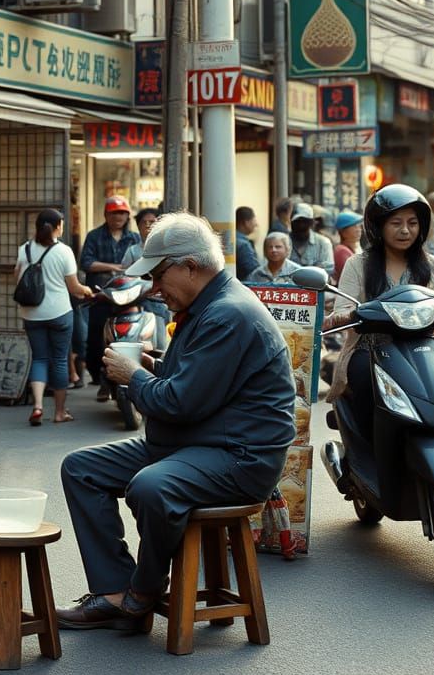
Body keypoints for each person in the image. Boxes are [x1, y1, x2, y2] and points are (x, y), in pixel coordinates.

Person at [56, 213, 295, 630]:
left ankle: (143, 591)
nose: (154, 289)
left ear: (190, 266)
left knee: (153, 486)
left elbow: (179, 403)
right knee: (81, 469)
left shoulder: (227, 314)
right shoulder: (209, 305)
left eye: (160, 275)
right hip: (195, 443)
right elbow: (197, 381)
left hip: (237, 457)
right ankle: (114, 591)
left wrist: (134, 377)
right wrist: (154, 365)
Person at [324, 186, 434, 431]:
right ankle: (368, 453)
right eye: (396, 223)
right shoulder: (358, 265)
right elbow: (343, 308)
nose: (405, 230)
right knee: (364, 381)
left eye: (413, 223)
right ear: (378, 226)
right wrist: (349, 315)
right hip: (371, 349)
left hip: (427, 351)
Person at [15, 209, 93, 426]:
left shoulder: (25, 249)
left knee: (39, 358)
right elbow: (74, 287)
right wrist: (87, 291)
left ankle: (38, 406)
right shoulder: (64, 251)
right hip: (59, 313)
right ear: (57, 226)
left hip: (31, 313)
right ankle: (59, 412)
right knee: (59, 360)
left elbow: (17, 277)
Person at [80, 197, 141, 400]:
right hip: (102, 296)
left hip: (129, 297)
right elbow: (87, 263)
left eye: (122, 213)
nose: (118, 217)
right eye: (114, 213)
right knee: (97, 337)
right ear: (106, 215)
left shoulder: (133, 238)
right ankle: (101, 379)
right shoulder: (94, 236)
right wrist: (114, 267)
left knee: (128, 335)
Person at [121, 207, 169, 351]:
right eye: (144, 222)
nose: (148, 225)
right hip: (138, 302)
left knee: (160, 345)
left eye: (152, 222)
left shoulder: (166, 249)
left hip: (161, 302)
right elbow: (125, 275)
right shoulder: (133, 251)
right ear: (138, 225)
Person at [289, 201, 334, 275]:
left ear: (312, 223)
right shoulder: (283, 242)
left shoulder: (323, 243)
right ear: (291, 222)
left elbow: (328, 269)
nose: (301, 225)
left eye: (305, 222)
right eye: (297, 222)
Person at [333, 210, 364, 283]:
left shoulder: (356, 247)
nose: (358, 230)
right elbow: (352, 278)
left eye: (358, 226)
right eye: (354, 227)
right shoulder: (341, 251)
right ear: (343, 232)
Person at [235, 206, 259, 282]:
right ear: (246, 222)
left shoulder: (231, 239)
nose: (256, 225)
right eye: (254, 221)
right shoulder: (243, 245)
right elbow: (254, 270)